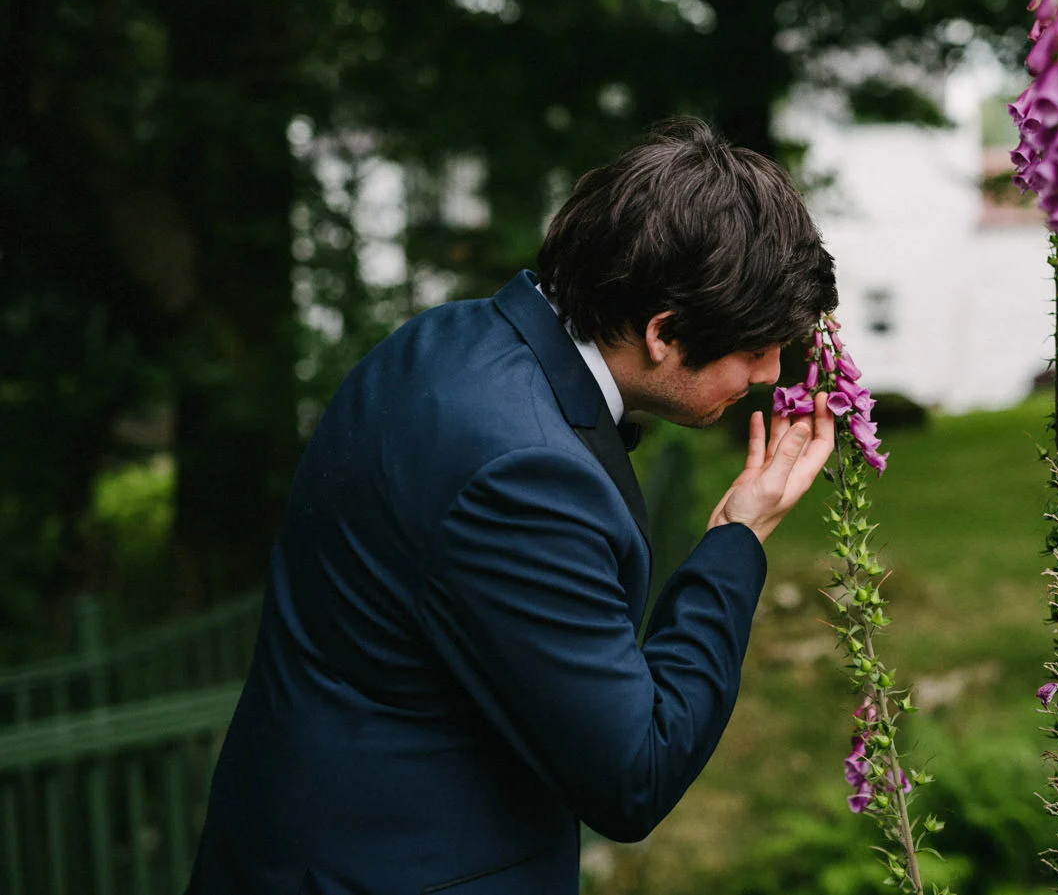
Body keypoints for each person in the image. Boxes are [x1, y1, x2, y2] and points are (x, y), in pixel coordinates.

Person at [186, 119, 839, 895]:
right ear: (663, 332)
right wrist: (739, 537)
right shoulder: (524, 478)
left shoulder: (440, 339)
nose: (771, 372)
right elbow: (635, 771)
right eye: (757, 345)